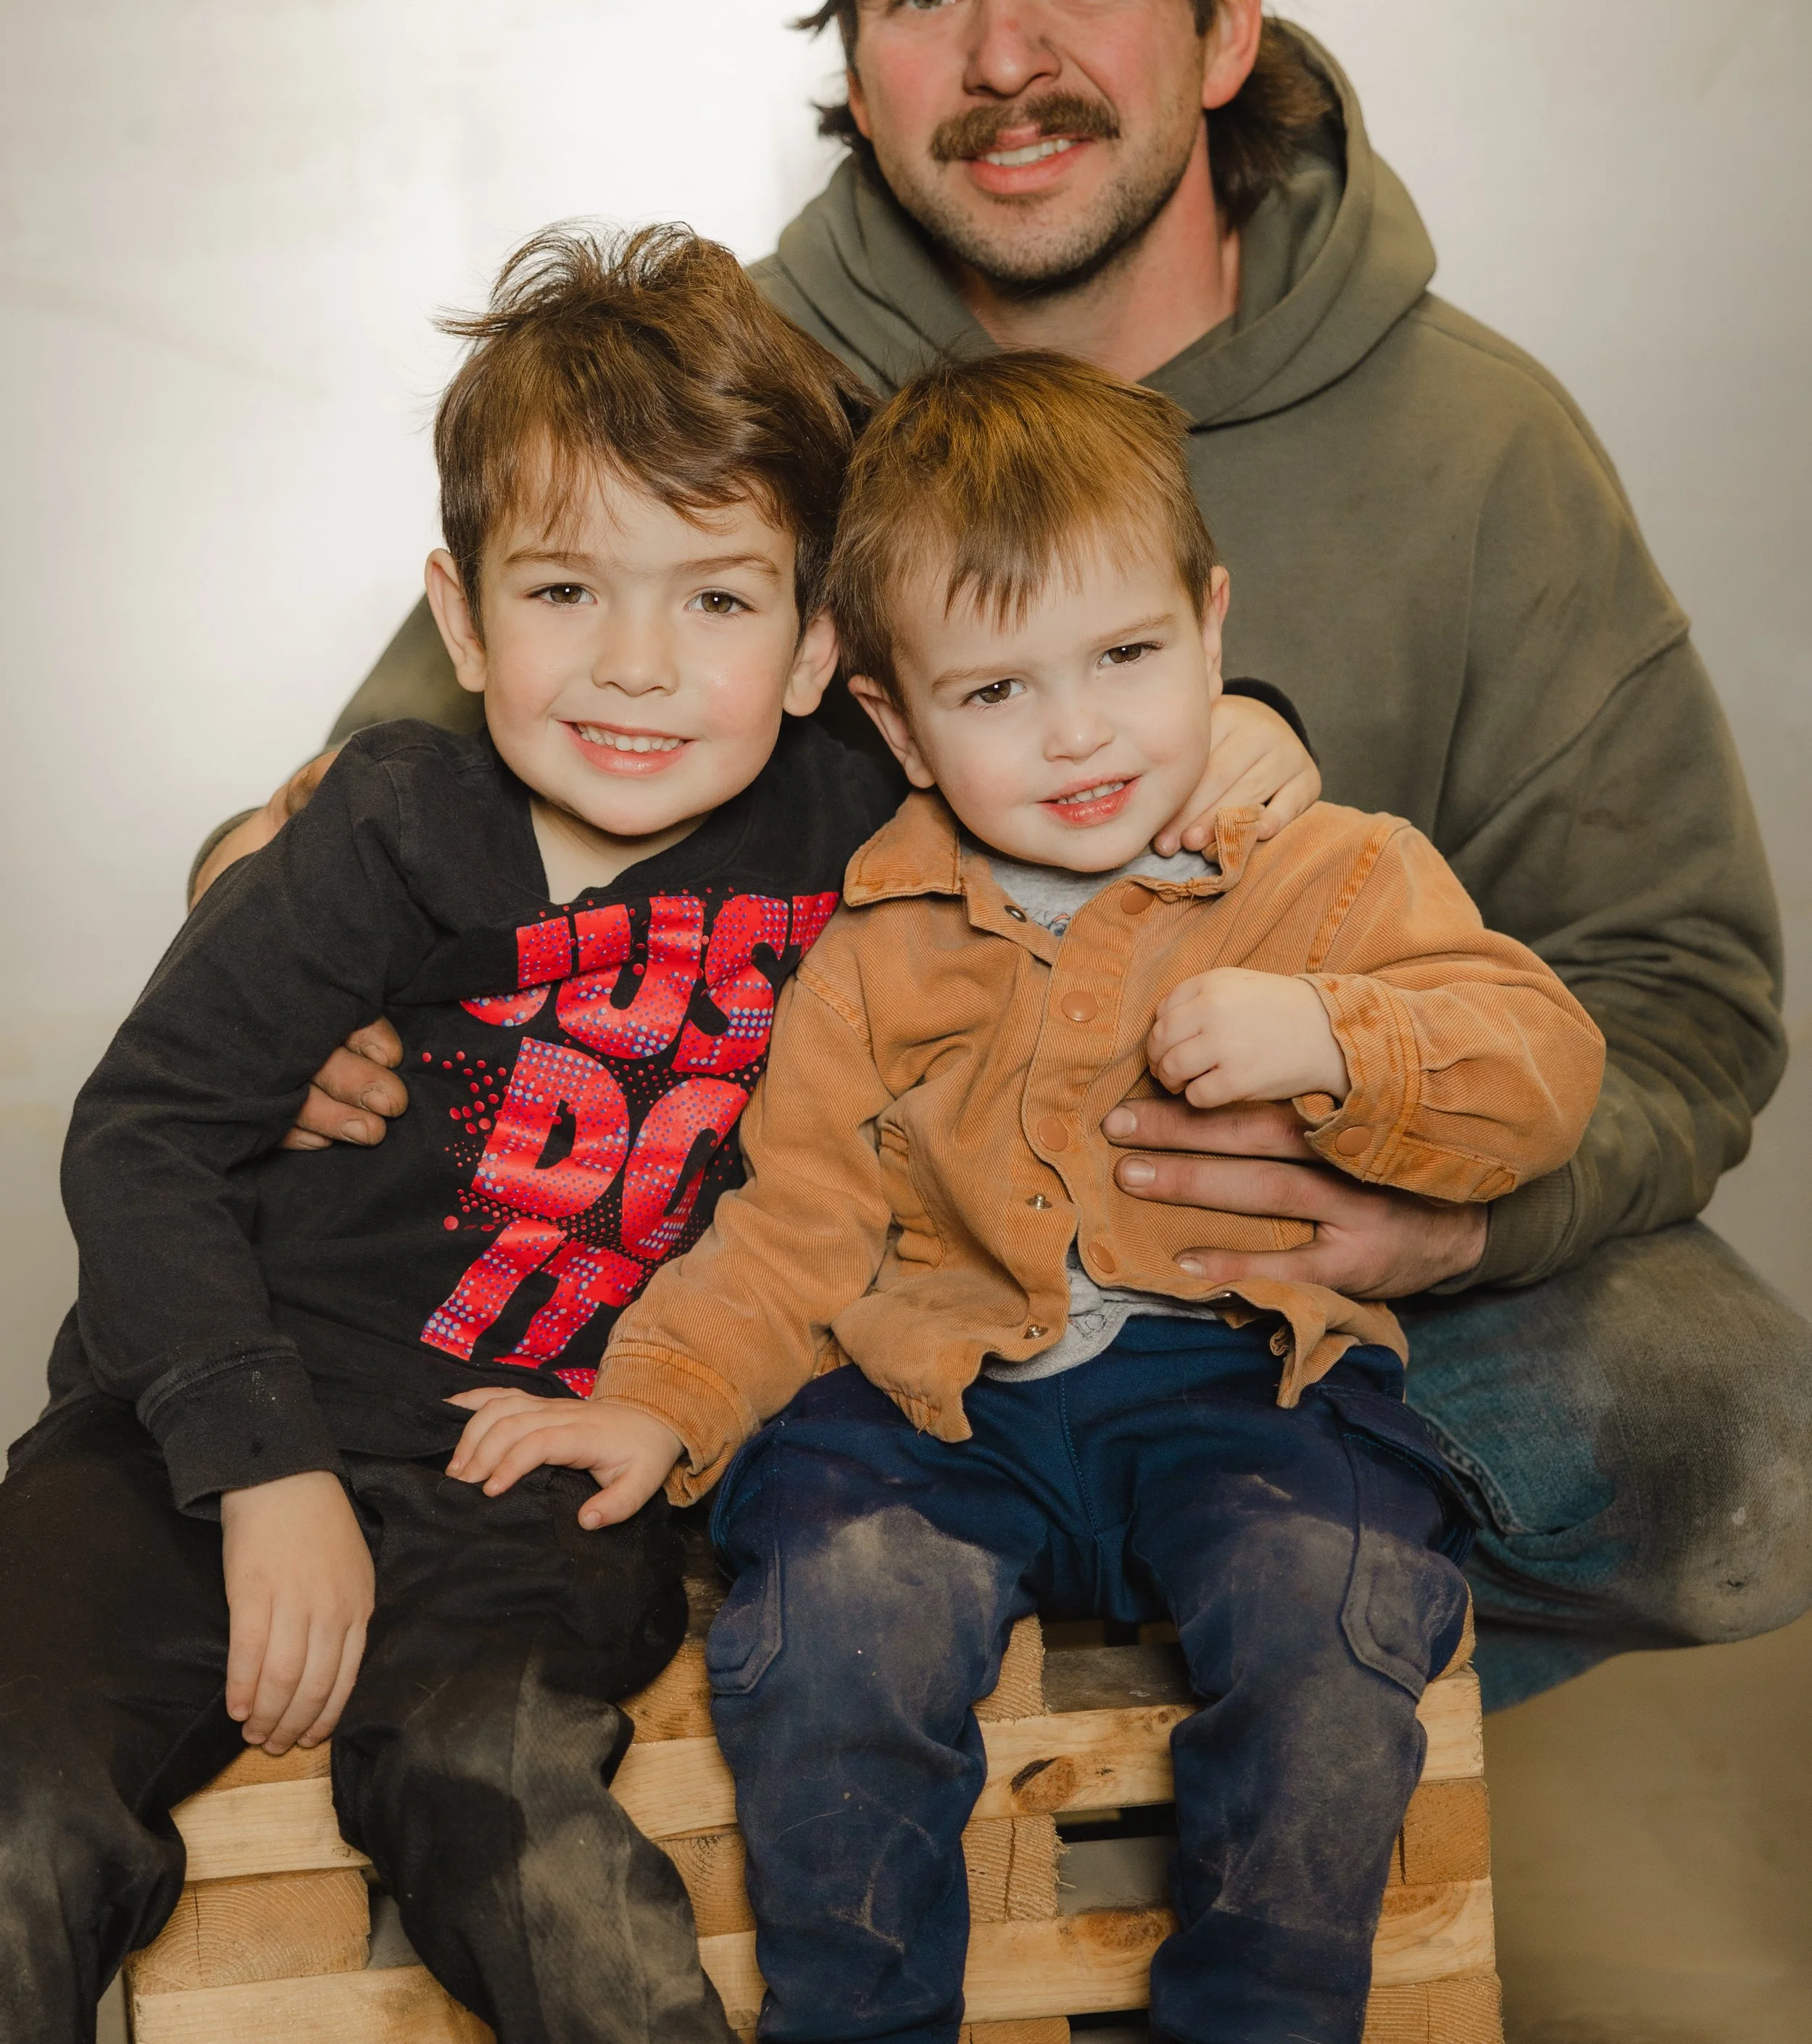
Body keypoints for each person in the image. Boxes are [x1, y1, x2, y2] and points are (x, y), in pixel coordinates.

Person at [201, 0, 1807, 1708]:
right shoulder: (737, 393)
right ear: (853, 65)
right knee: (511, 1339)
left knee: (1722, 1423)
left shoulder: (1477, 444)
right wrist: (270, 925)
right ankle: (855, 1668)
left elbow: (1676, 993)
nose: (1005, 59)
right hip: (817, 1265)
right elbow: (386, 779)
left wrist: (1435, 1226)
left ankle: (1180, 1745)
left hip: (1266, 1293)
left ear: (1223, 25)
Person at [5, 225, 1313, 2044]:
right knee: (18, 1807)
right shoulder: (384, 831)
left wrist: (1253, 725)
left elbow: (1050, 705)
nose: (633, 666)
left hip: (547, 1460)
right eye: (562, 596)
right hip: (208, 1425)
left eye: (713, 599)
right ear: (460, 619)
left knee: (503, 1799)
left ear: (816, 654)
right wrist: (261, 1472)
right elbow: (142, 1134)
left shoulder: (856, 809)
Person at [446, 353, 1607, 2044]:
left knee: (1335, 1613)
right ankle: (863, 2016)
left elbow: (1539, 1070)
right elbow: (794, 1225)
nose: (1075, 731)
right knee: (827, 1608)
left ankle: (1253, 2018)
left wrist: (1336, 1037)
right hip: (940, 1396)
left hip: (1247, 1378)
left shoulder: (1332, 873)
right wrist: (657, 1400)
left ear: (1212, 630)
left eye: (1126, 658)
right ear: (897, 725)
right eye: (992, 695)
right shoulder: (870, 946)